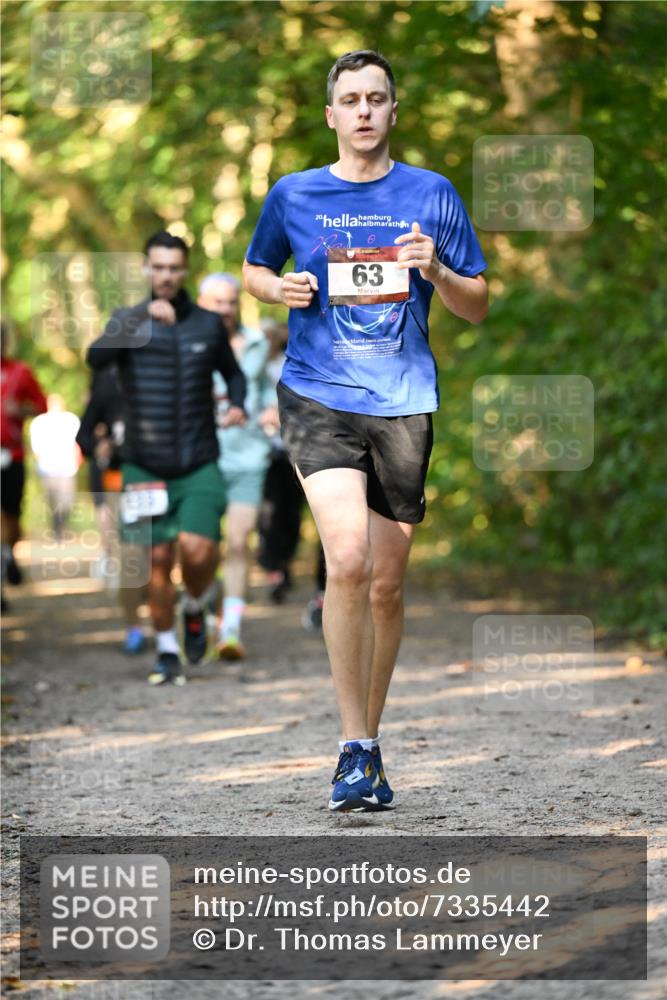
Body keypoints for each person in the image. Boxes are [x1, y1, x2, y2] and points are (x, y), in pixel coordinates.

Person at [243, 50, 488, 811]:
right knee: (345, 559)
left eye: (375, 98)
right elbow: (255, 269)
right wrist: (276, 286)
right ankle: (353, 748)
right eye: (349, 99)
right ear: (330, 114)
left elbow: (476, 302)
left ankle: (370, 742)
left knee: (385, 584)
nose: (362, 111)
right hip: (317, 394)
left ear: (391, 109)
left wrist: (437, 271)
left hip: (403, 399)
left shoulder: (431, 193)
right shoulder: (294, 193)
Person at [87, 231, 246, 685]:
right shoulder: (127, 320)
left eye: (174, 268)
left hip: (198, 460)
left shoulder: (208, 325)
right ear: (145, 270)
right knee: (155, 560)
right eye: (157, 267)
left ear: (185, 271)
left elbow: (233, 376)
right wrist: (137, 318)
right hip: (143, 465)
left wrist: (237, 404)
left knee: (199, 553)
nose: (166, 276)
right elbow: (95, 358)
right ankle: (167, 650)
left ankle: (194, 606)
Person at [197, 273, 278, 661]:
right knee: (202, 548)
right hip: (201, 457)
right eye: (218, 302)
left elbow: (263, 388)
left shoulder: (258, 342)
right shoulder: (188, 340)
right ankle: (201, 610)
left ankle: (230, 628)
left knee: (237, 541)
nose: (226, 309)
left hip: (248, 456)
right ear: (200, 304)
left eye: (231, 302)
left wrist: (270, 409)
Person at [76, 366, 149, 654]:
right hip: (120, 478)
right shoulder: (106, 379)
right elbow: (83, 435)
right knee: (130, 557)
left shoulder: (166, 367)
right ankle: (133, 626)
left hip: (165, 475)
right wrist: (98, 446)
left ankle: (167, 617)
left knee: (159, 556)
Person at [1, 321, 47, 609]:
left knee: (12, 518)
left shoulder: (20, 372)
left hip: (12, 456)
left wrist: (21, 409)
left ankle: (8, 552)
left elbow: (41, 405)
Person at [29, 394, 81, 541]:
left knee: (67, 500)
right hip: (48, 468)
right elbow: (36, 447)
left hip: (67, 468)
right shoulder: (39, 422)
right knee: (52, 501)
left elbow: (78, 442)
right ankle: (57, 530)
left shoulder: (70, 420)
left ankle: (63, 526)